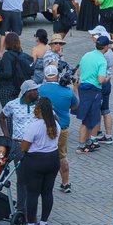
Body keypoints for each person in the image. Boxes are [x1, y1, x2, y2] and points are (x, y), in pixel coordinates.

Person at [19, 97, 61, 225]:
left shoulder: (34, 126)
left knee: (32, 193)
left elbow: (24, 147)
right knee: (47, 192)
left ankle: (30, 224)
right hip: (53, 159)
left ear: (40, 110)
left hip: (35, 161)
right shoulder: (56, 125)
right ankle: (43, 223)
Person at [38, 64, 77, 193]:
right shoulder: (67, 91)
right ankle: (65, 183)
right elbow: (75, 106)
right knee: (62, 156)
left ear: (45, 76)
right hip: (63, 128)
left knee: (43, 154)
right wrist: (75, 88)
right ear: (58, 76)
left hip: (44, 127)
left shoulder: (39, 90)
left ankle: (42, 182)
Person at [75, 34, 110, 154]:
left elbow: (78, 71)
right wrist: (107, 78)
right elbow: (101, 80)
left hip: (82, 89)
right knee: (93, 118)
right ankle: (85, 144)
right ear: (106, 47)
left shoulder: (86, 55)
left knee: (85, 118)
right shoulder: (102, 60)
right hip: (94, 90)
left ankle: (85, 143)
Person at [0, 33, 32, 106]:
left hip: (7, 88)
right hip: (17, 87)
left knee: (7, 111)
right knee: (14, 109)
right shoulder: (20, 53)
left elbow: (7, 73)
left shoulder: (7, 55)